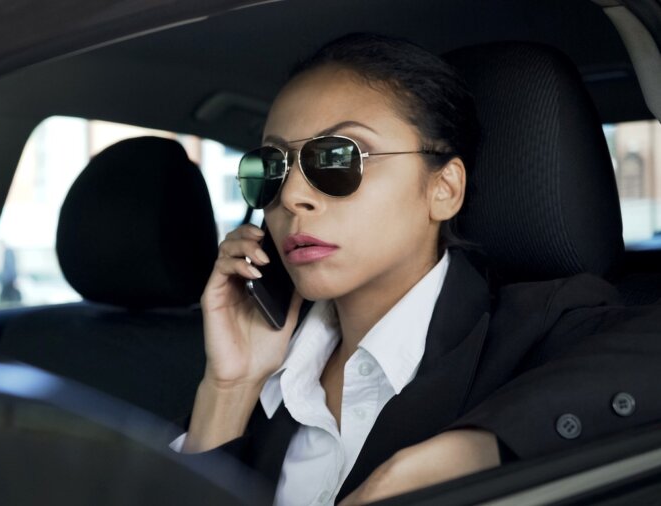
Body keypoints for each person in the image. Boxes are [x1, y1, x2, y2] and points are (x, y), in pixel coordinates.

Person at [172, 33, 661, 505]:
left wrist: (466, 453)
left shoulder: (540, 327)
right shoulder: (267, 372)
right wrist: (229, 388)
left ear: (444, 188)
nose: (293, 197)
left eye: (339, 158)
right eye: (272, 168)